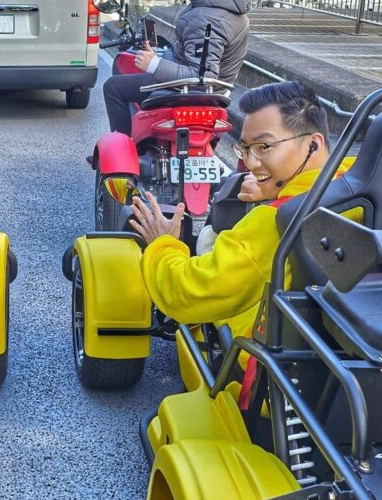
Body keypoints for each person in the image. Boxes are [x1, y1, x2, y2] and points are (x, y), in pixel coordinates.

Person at [128, 81, 353, 350]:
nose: (251, 163)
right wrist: (275, 191)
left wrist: (163, 243)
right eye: (245, 149)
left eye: (264, 147)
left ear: (312, 145)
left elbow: (187, 293)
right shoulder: (361, 184)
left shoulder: (271, 223)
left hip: (259, 363)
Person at [102, 0, 250, 134]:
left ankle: (122, 148)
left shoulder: (203, 17)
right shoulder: (229, 7)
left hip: (191, 93)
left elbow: (202, 77)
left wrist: (155, 64)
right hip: (217, 93)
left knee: (113, 88)